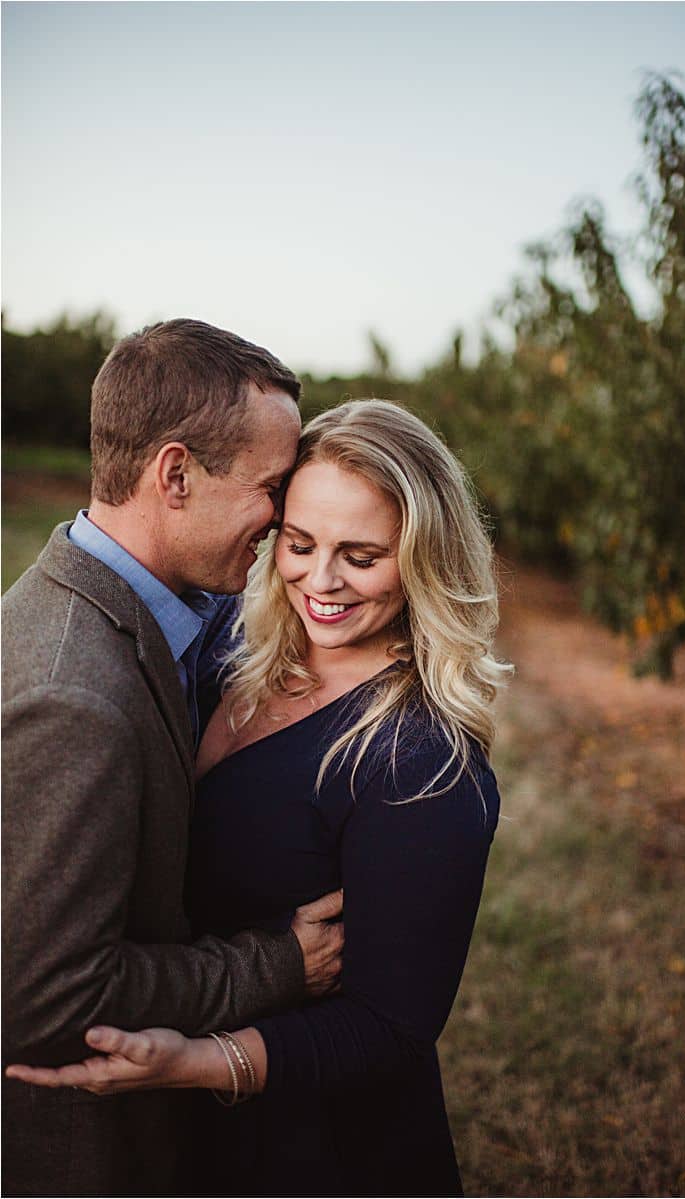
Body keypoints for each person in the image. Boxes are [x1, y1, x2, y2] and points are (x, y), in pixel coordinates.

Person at [8, 399, 513, 1198]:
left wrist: (198, 1061)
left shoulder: (420, 761)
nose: (322, 580)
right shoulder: (226, 652)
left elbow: (391, 1027)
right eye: (301, 543)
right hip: (175, 1132)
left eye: (363, 554)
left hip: (317, 1148)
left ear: (423, 557)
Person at [1, 319, 346, 1197]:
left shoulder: (165, 605)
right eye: (272, 487)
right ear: (177, 474)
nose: (282, 518)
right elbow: (46, 999)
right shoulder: (74, 697)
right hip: (87, 1159)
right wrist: (273, 964)